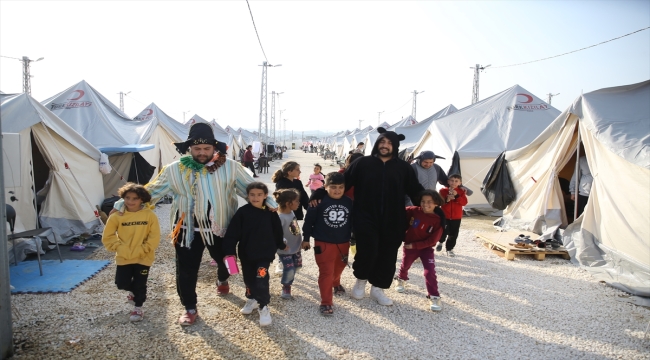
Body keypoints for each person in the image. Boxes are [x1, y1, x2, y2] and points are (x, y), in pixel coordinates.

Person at [112, 122, 277, 326]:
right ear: (189, 148)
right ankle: (190, 307)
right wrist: (122, 203)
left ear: (214, 148)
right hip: (186, 229)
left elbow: (251, 188)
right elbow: (152, 191)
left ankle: (223, 278)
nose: (202, 152)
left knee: (227, 263)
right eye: (197, 149)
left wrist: (270, 203)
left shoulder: (231, 167)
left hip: (222, 228)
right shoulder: (174, 170)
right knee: (186, 271)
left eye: (206, 148)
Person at [312, 127, 423, 306]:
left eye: (389, 143)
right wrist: (319, 193)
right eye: (382, 142)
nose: (385, 145)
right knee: (366, 250)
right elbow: (343, 182)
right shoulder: (362, 163)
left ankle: (377, 288)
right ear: (377, 143)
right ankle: (361, 281)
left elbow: (415, 189)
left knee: (387, 254)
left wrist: (430, 199)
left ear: (395, 146)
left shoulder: (403, 168)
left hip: (393, 218)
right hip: (365, 215)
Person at [223, 182, 287, 326]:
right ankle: (251, 298)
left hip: (264, 256)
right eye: (252, 194)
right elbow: (232, 234)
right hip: (247, 254)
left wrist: (281, 244)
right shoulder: (242, 212)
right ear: (247, 196)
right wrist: (229, 251)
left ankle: (263, 305)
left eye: (259, 195)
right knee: (249, 279)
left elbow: (277, 231)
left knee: (261, 278)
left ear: (265, 196)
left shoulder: (271, 213)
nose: (256, 197)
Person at [102, 183, 161, 322]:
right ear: (123, 198)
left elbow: (154, 237)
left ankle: (138, 308)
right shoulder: (116, 216)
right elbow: (108, 236)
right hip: (124, 257)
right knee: (121, 283)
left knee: (140, 283)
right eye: (127, 198)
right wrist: (119, 248)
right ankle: (133, 292)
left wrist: (144, 249)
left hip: (143, 257)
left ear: (142, 199)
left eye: (135, 198)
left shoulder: (150, 215)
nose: (130, 201)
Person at [302, 172, 353, 315]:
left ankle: (336, 283)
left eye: (340, 187)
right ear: (325, 187)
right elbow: (308, 222)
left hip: (343, 242)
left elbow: (353, 222)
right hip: (323, 243)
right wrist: (306, 238)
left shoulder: (349, 202)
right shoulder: (317, 202)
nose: (337, 190)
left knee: (340, 267)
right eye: (333, 187)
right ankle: (326, 302)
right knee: (326, 272)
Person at [394, 190, 445, 312]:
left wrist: (415, 245)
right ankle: (401, 278)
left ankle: (434, 295)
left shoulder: (438, 220)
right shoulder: (414, 211)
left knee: (429, 271)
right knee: (405, 265)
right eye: (423, 201)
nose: (425, 204)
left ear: (436, 203)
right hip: (410, 247)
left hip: (425, 249)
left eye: (429, 202)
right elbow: (398, 211)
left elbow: (432, 241)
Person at [407, 150, 473, 205]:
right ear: (420, 160)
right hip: (415, 199)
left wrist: (460, 186)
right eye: (425, 162)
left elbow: (445, 180)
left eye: (431, 162)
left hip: (431, 198)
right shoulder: (412, 168)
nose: (428, 164)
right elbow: (406, 185)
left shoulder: (436, 168)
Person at [273, 188, 303, 299]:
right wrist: (282, 244)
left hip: (296, 246)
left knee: (297, 266)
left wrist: (301, 241)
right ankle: (286, 286)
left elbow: (295, 228)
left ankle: (288, 275)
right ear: (288, 203)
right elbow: (276, 234)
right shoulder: (280, 218)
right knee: (290, 269)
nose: (298, 203)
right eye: (296, 201)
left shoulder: (291, 212)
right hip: (285, 249)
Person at [437, 174, 468, 256]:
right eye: (452, 180)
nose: (454, 182)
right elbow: (439, 202)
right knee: (443, 231)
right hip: (445, 216)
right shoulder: (442, 191)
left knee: (453, 234)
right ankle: (440, 242)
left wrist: (457, 196)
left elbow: (464, 203)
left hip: (456, 217)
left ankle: (449, 249)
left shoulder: (462, 191)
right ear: (448, 181)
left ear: (460, 182)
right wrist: (447, 199)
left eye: (456, 181)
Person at [569, 154, 592, 218]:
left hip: (600, 193)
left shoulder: (604, 156)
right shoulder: (582, 160)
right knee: (582, 215)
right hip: (585, 193)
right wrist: (573, 191)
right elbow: (576, 176)